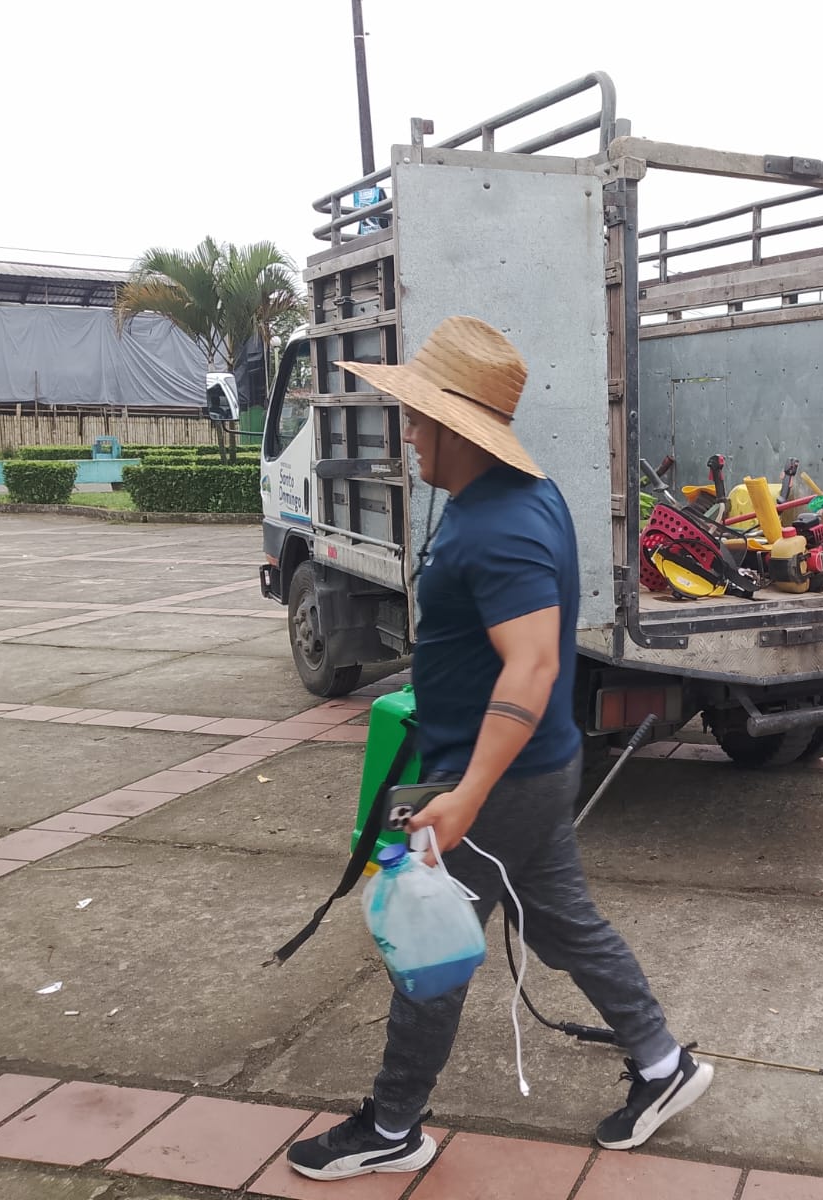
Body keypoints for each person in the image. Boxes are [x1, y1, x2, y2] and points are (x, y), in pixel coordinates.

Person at [287, 317, 711, 1182]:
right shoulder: (512, 496)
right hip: (528, 766)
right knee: (563, 924)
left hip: (498, 778)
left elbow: (534, 662)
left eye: (417, 418)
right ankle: (663, 1062)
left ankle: (393, 1125)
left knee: (429, 946)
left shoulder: (503, 525)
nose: (408, 434)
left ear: (457, 425)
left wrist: (468, 793)